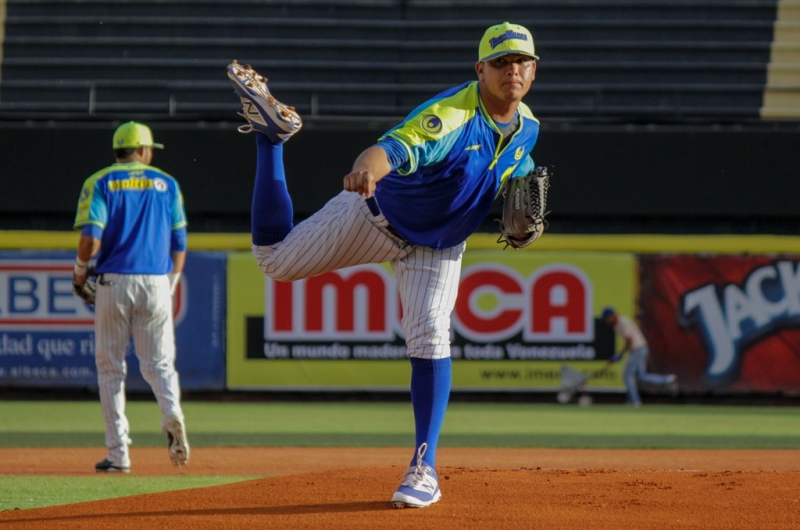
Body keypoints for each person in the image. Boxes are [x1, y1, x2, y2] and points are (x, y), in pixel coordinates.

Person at [226, 21, 541, 508]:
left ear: (534, 70)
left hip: (439, 246)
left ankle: (424, 467)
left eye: (521, 61)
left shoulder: (529, 128)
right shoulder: (451, 116)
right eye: (500, 62)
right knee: (275, 262)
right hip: (375, 215)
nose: (512, 71)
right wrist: (367, 171)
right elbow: (391, 148)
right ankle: (272, 139)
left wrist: (521, 219)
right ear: (480, 69)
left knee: (432, 336)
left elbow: (517, 170)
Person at [72, 121, 190, 473]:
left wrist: (80, 271)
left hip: (114, 281)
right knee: (159, 364)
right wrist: (170, 283)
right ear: (143, 150)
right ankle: (172, 414)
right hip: (156, 279)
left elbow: (92, 237)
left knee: (110, 368)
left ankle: (118, 453)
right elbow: (179, 243)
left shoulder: (101, 181)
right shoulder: (166, 183)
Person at [601, 307, 677, 407]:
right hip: (637, 350)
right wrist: (620, 354)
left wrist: (620, 355)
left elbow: (629, 340)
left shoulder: (623, 321)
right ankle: (667, 380)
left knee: (627, 376)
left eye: (607, 319)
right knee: (641, 376)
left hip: (638, 350)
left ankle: (634, 401)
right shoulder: (616, 325)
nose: (606, 322)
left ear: (611, 316)